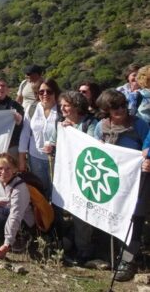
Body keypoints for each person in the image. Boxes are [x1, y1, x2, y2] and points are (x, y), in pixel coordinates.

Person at [90, 89, 150, 281]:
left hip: (138, 181)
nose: (121, 109)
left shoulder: (138, 124)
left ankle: (128, 260)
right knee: (115, 216)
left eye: (123, 105)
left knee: (135, 219)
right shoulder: (101, 127)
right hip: (114, 182)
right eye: (115, 107)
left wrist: (147, 157)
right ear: (106, 109)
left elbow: (148, 144)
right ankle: (115, 253)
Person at [54, 91, 97, 265]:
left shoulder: (90, 124)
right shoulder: (62, 124)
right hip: (68, 173)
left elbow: (92, 144)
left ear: (76, 106)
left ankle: (84, 252)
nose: (62, 108)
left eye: (66, 105)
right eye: (61, 105)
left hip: (86, 175)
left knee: (82, 213)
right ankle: (72, 243)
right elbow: (54, 142)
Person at [18, 78, 61, 198]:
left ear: (55, 93)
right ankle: (43, 215)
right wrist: (22, 159)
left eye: (49, 91)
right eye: (41, 92)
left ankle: (56, 215)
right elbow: (25, 133)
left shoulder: (61, 110)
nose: (45, 94)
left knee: (57, 190)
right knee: (40, 189)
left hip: (56, 158)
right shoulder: (32, 109)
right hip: (35, 157)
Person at [0, 78, 25, 158]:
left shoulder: (16, 106)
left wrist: (19, 122)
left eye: (3, 86)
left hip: (10, 148)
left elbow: (24, 128)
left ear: (7, 90)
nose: (0, 88)